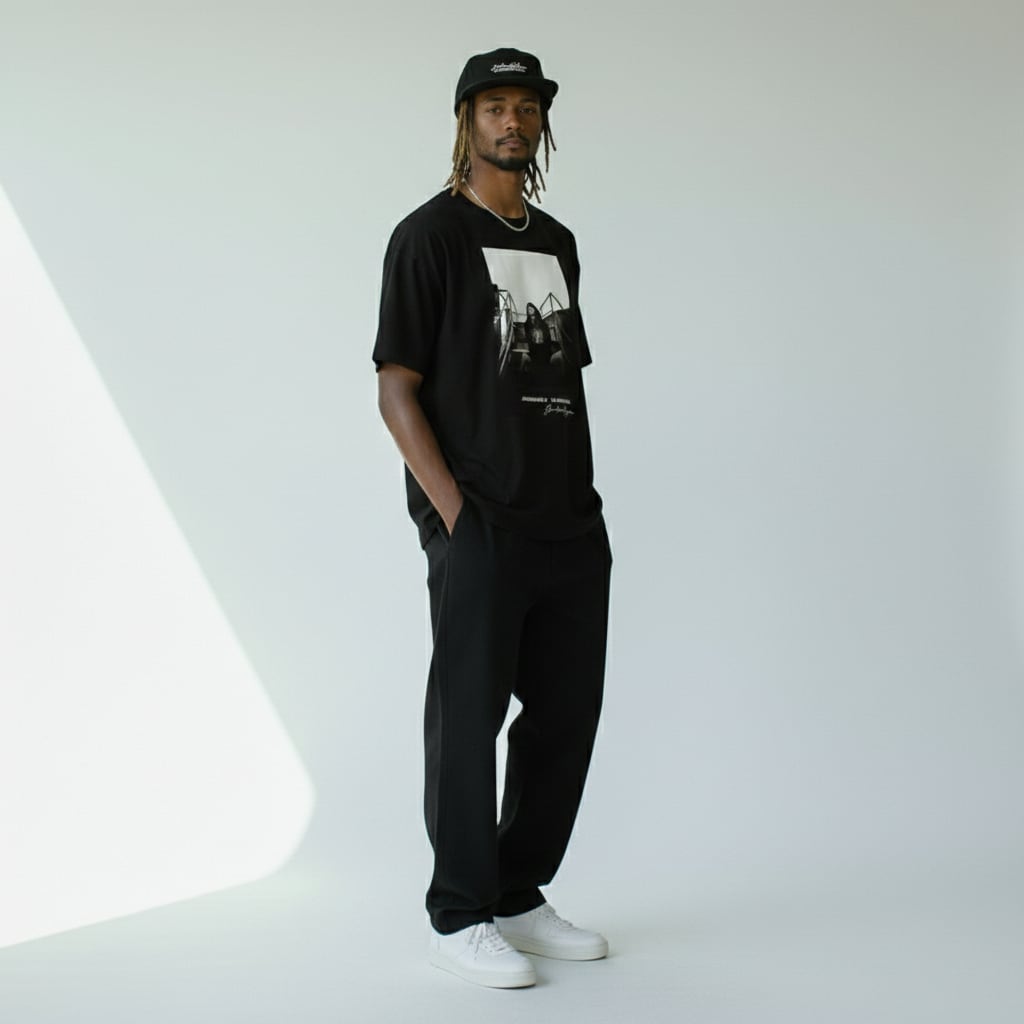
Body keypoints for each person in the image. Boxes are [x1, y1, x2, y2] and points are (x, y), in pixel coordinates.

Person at [373, 47, 612, 990]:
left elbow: (556, 382)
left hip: (568, 521)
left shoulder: (556, 242)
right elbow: (397, 390)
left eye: (528, 107)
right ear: (467, 120)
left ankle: (517, 891)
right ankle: (460, 913)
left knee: (565, 716)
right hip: (480, 519)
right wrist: (456, 516)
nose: (514, 122)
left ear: (543, 122)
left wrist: (582, 503)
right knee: (467, 720)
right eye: (495, 106)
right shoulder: (427, 237)